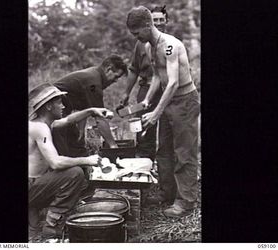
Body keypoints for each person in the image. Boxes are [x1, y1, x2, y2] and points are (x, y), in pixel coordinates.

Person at [126, 6, 200, 217]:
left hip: (184, 101)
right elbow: (159, 76)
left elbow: (174, 82)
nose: (136, 37)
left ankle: (186, 202)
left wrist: (157, 113)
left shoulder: (169, 45)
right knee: (164, 150)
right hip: (168, 102)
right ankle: (168, 193)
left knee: (184, 152)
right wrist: (148, 99)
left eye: (137, 32)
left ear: (148, 25)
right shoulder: (149, 46)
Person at [28, 83, 109, 239]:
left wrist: (91, 111)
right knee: (75, 174)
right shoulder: (40, 128)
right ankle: (52, 226)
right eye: (59, 102)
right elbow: (55, 163)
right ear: (49, 107)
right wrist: (86, 160)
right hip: (31, 185)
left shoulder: (42, 122)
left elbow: (67, 120)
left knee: (72, 176)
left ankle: (35, 218)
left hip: (34, 182)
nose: (63, 106)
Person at [51, 54, 128, 158]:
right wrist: (113, 146)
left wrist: (81, 129)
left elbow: (85, 107)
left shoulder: (95, 74)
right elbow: (100, 118)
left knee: (77, 143)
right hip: (52, 108)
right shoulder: (94, 82)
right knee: (64, 149)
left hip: (60, 107)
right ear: (108, 69)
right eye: (116, 77)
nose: (115, 81)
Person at [120, 5, 169, 161]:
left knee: (167, 127)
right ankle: (145, 160)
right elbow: (134, 69)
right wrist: (126, 93)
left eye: (162, 19)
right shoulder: (141, 43)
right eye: (156, 20)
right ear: (149, 22)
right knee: (143, 126)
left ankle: (165, 162)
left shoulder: (171, 43)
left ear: (166, 21)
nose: (159, 23)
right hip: (146, 87)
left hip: (167, 89)